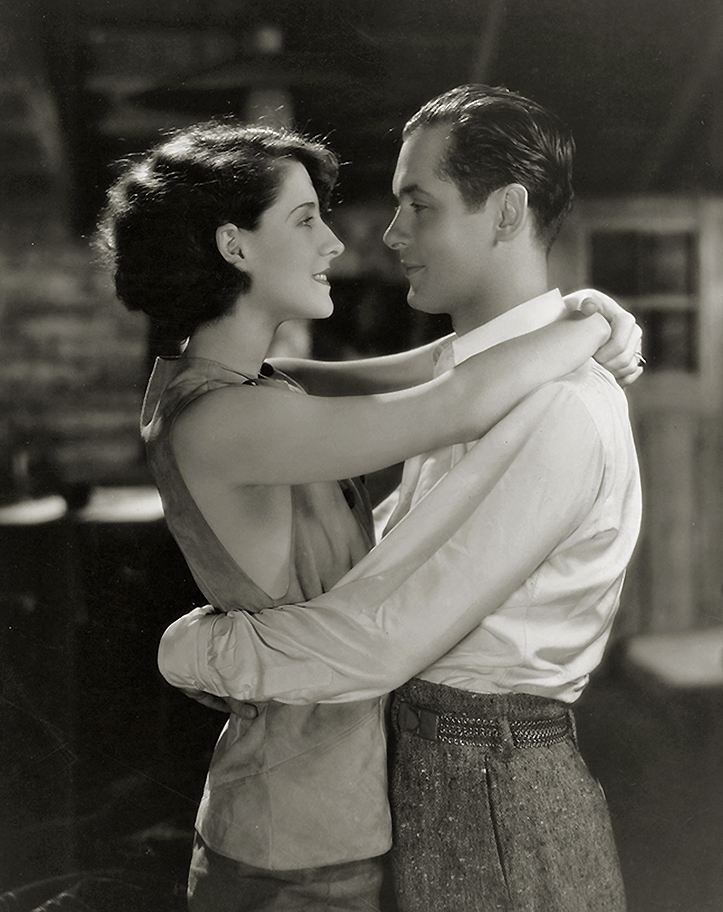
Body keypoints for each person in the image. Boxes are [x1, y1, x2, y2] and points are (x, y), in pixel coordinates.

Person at [96, 121, 638, 912]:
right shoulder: (222, 419)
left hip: (331, 817)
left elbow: (436, 366)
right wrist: (593, 327)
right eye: (304, 219)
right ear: (232, 247)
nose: (337, 246)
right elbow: (451, 399)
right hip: (292, 839)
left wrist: (582, 308)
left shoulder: (260, 385)